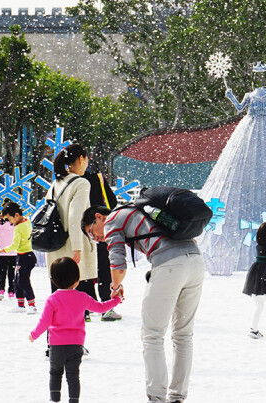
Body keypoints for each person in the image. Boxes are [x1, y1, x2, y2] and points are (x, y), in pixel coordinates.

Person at [83, 205, 204, 403]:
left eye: (91, 231)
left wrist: (115, 289)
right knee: (183, 334)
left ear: (98, 217)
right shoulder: (138, 209)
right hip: (196, 261)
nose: (95, 238)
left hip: (170, 264)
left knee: (152, 335)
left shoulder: (112, 220)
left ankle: (156, 397)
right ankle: (177, 396)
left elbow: (118, 265)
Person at [198, 64, 266, 275]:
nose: (259, 80)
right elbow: (239, 107)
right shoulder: (251, 95)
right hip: (252, 129)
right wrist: (230, 95)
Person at [29, 257, 123, 403]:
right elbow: (101, 307)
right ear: (77, 279)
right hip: (76, 345)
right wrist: (116, 300)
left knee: (55, 373)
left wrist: (34, 335)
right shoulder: (82, 297)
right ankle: (74, 400)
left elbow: (45, 322)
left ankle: (54, 399)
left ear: (54, 279)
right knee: (73, 375)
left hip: (56, 346)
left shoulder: (52, 299)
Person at [45, 144, 97, 298]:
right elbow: (75, 217)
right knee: (79, 296)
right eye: (87, 159)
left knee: (59, 295)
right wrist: (77, 249)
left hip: (55, 245)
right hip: (72, 245)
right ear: (81, 159)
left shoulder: (56, 183)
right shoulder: (81, 183)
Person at [83, 168, 121, 321]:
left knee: (84, 270)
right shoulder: (97, 179)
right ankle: (106, 306)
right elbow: (112, 201)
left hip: (82, 231)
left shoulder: (71, 180)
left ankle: (85, 310)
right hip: (100, 228)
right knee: (104, 269)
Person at [0, 203, 37, 313]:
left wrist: (1, 250)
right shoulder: (26, 221)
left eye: (10, 219)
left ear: (16, 215)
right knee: (17, 281)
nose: (10, 222)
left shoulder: (18, 227)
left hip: (25, 257)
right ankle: (20, 305)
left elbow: (15, 245)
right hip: (26, 256)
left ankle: (32, 305)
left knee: (23, 281)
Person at [0, 204, 17, 301]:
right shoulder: (15, 226)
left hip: (3, 253)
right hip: (13, 252)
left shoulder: (0, 227)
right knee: (12, 274)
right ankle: (11, 292)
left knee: (2, 273)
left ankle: (0, 290)